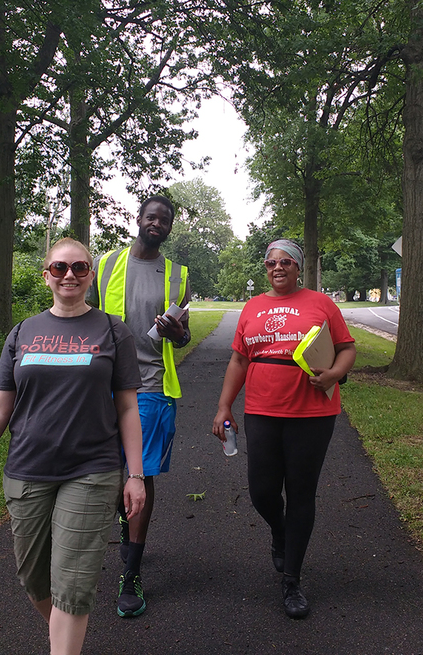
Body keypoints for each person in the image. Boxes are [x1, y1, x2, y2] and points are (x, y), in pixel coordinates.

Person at [0, 237, 145, 655]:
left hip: (92, 470)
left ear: (90, 275)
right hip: (27, 470)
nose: (69, 275)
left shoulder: (113, 331)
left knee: (72, 585)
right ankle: (64, 640)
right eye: (59, 268)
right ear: (46, 276)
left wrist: (136, 474)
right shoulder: (23, 332)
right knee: (35, 580)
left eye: (79, 267)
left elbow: (128, 408)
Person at [211, 239, 356, 620]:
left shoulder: (321, 304)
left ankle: (291, 580)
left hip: (312, 412)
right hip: (262, 410)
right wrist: (224, 405)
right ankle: (280, 530)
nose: (278, 267)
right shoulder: (253, 307)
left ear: (298, 267)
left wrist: (335, 375)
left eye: (286, 262)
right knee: (261, 491)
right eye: (271, 262)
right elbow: (239, 360)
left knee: (301, 492)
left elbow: (346, 348)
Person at [89, 194, 191, 617]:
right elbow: (83, 316)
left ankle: (130, 574)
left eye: (164, 220)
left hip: (150, 387)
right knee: (108, 475)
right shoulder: (105, 264)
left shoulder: (177, 275)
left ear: (169, 227)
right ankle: (127, 528)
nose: (157, 223)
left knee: (140, 474)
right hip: (100, 387)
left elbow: (184, 336)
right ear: (138, 219)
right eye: (151, 216)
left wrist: (177, 334)